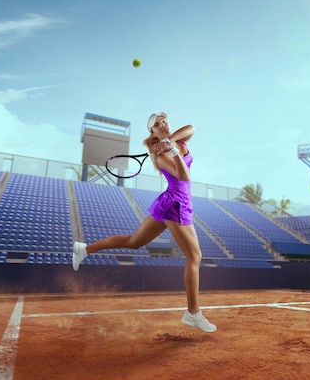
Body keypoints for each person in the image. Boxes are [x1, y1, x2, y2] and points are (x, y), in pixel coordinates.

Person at [72, 112, 216, 333]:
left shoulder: (174, 140)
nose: (163, 125)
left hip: (177, 203)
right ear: (153, 133)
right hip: (175, 205)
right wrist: (171, 150)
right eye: (158, 125)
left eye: (164, 121)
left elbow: (191, 127)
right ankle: (193, 313)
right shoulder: (160, 156)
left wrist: (170, 142)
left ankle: (84, 249)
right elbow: (184, 176)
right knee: (195, 256)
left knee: (133, 241)